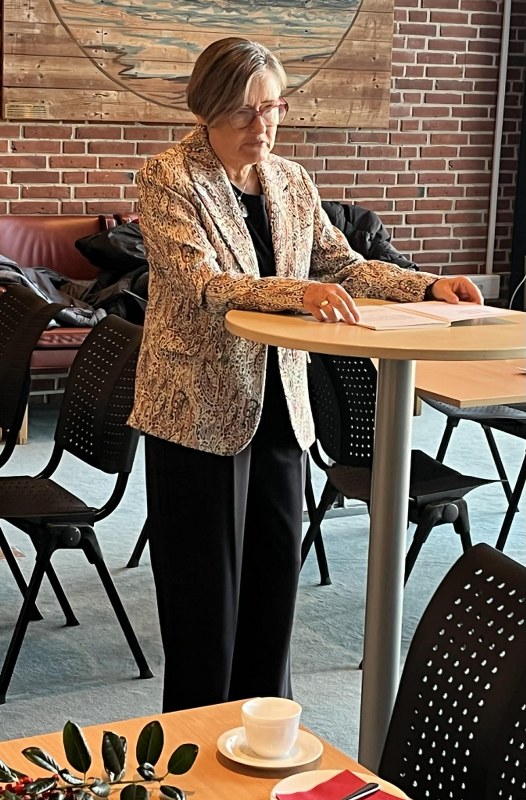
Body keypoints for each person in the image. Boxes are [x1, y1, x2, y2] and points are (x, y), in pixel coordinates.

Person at [128, 36, 483, 713]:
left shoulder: (292, 180)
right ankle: (198, 741)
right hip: (195, 411)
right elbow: (203, 282)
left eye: (273, 108)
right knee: (205, 610)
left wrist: (425, 284)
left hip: (282, 408)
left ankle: (267, 737)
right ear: (207, 108)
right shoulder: (168, 177)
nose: (261, 126)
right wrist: (298, 292)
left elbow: (341, 264)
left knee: (272, 597)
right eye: (244, 111)